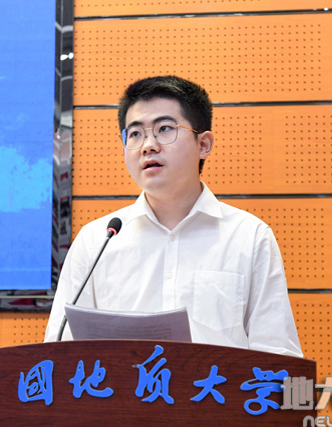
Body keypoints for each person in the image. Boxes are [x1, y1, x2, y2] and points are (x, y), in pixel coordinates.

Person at [44, 75, 302, 357]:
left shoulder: (248, 237)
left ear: (203, 144)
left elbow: (277, 355)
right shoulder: (97, 241)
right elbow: (60, 353)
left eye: (164, 129)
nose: (148, 145)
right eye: (135, 134)